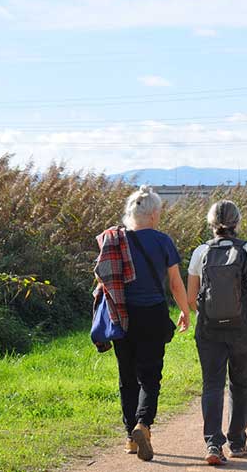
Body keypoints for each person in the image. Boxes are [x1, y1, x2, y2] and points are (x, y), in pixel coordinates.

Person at [95, 185, 191, 462]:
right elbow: (175, 283)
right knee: (150, 376)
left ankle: (129, 439)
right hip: (153, 314)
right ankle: (143, 425)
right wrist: (185, 311)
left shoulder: (115, 240)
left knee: (127, 377)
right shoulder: (162, 241)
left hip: (121, 315)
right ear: (153, 215)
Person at [186, 200, 247, 465]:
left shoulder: (200, 252)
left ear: (210, 223)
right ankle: (237, 442)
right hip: (242, 329)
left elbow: (190, 297)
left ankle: (213, 444)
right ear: (237, 222)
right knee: (240, 384)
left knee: (212, 384)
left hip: (209, 329)